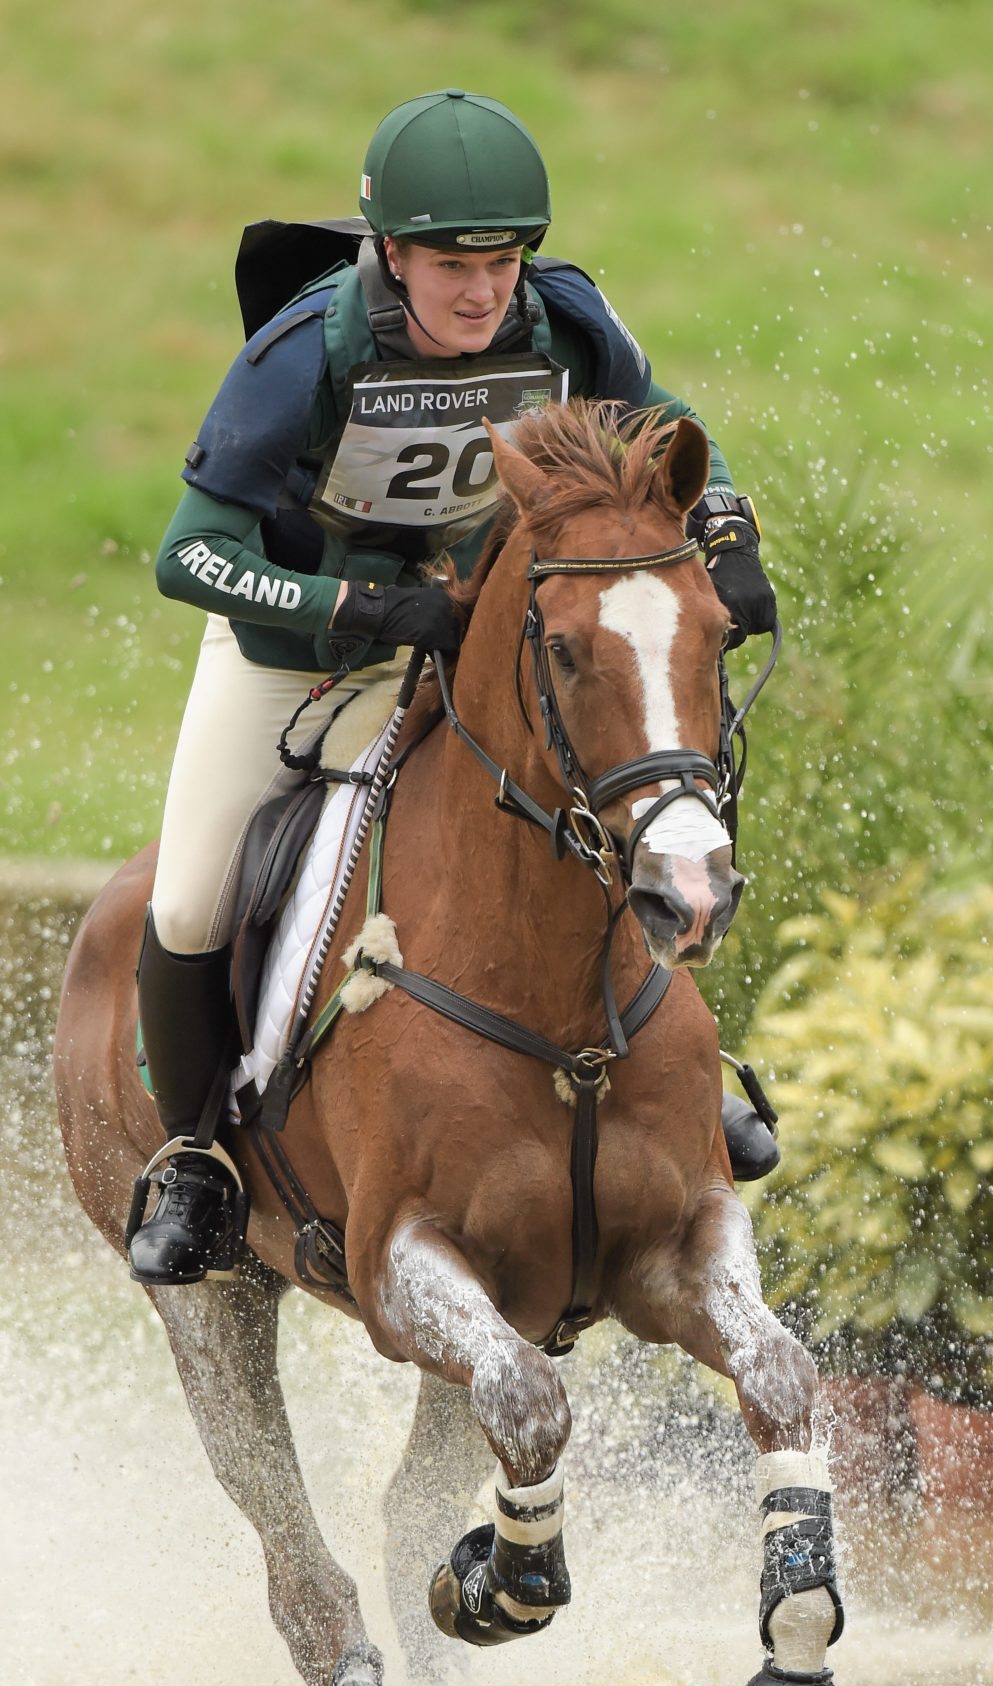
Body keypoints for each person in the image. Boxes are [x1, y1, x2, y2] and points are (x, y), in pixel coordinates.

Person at [128, 89, 779, 1287]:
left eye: (502, 259)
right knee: (188, 901)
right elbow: (188, 555)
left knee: (631, 797)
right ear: (390, 252)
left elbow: (674, 430)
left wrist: (725, 532)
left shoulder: (565, 318)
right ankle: (196, 1158)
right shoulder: (301, 353)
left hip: (488, 649)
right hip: (299, 657)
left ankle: (676, 1101)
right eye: (449, 264)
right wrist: (360, 609)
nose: (483, 292)